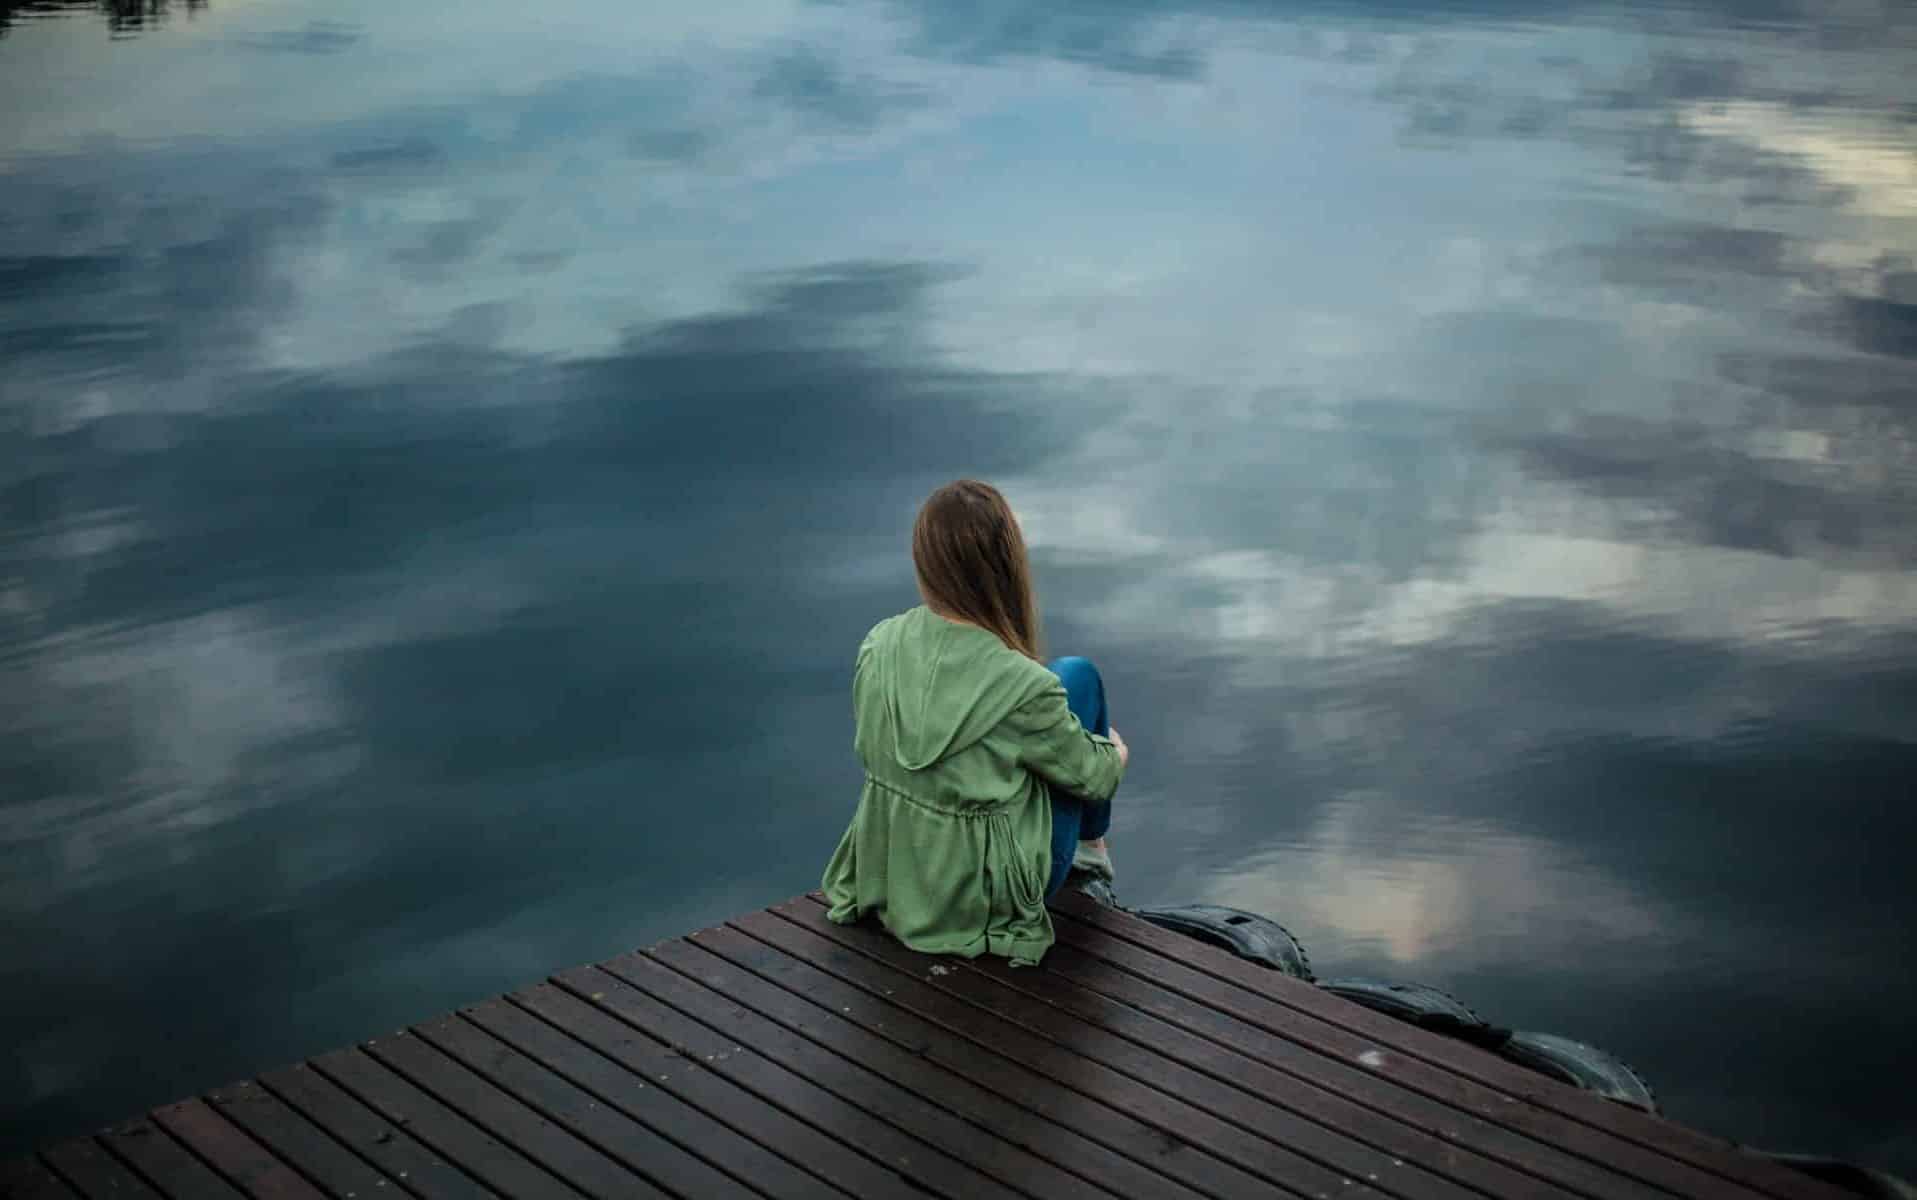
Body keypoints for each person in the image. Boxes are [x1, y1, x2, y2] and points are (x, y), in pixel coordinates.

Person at [821, 479, 1129, 965]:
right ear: (1007, 566)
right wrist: (1113, 751)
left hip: (897, 874)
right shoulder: (1025, 686)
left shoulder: (878, 644)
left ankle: (1087, 850)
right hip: (981, 899)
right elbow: (1098, 778)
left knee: (1058, 694)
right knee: (1077, 676)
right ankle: (1091, 854)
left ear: (924, 562)